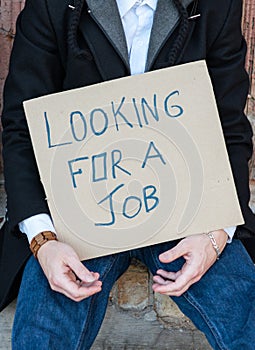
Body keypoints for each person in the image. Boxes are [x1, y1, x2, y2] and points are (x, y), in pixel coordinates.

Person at [1, 0, 255, 348]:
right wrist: (43, 240)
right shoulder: (54, 4)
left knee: (244, 309)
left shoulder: (216, 5)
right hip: (79, 206)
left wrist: (216, 235)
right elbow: (21, 126)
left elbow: (231, 129)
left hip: (187, 201)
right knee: (43, 332)